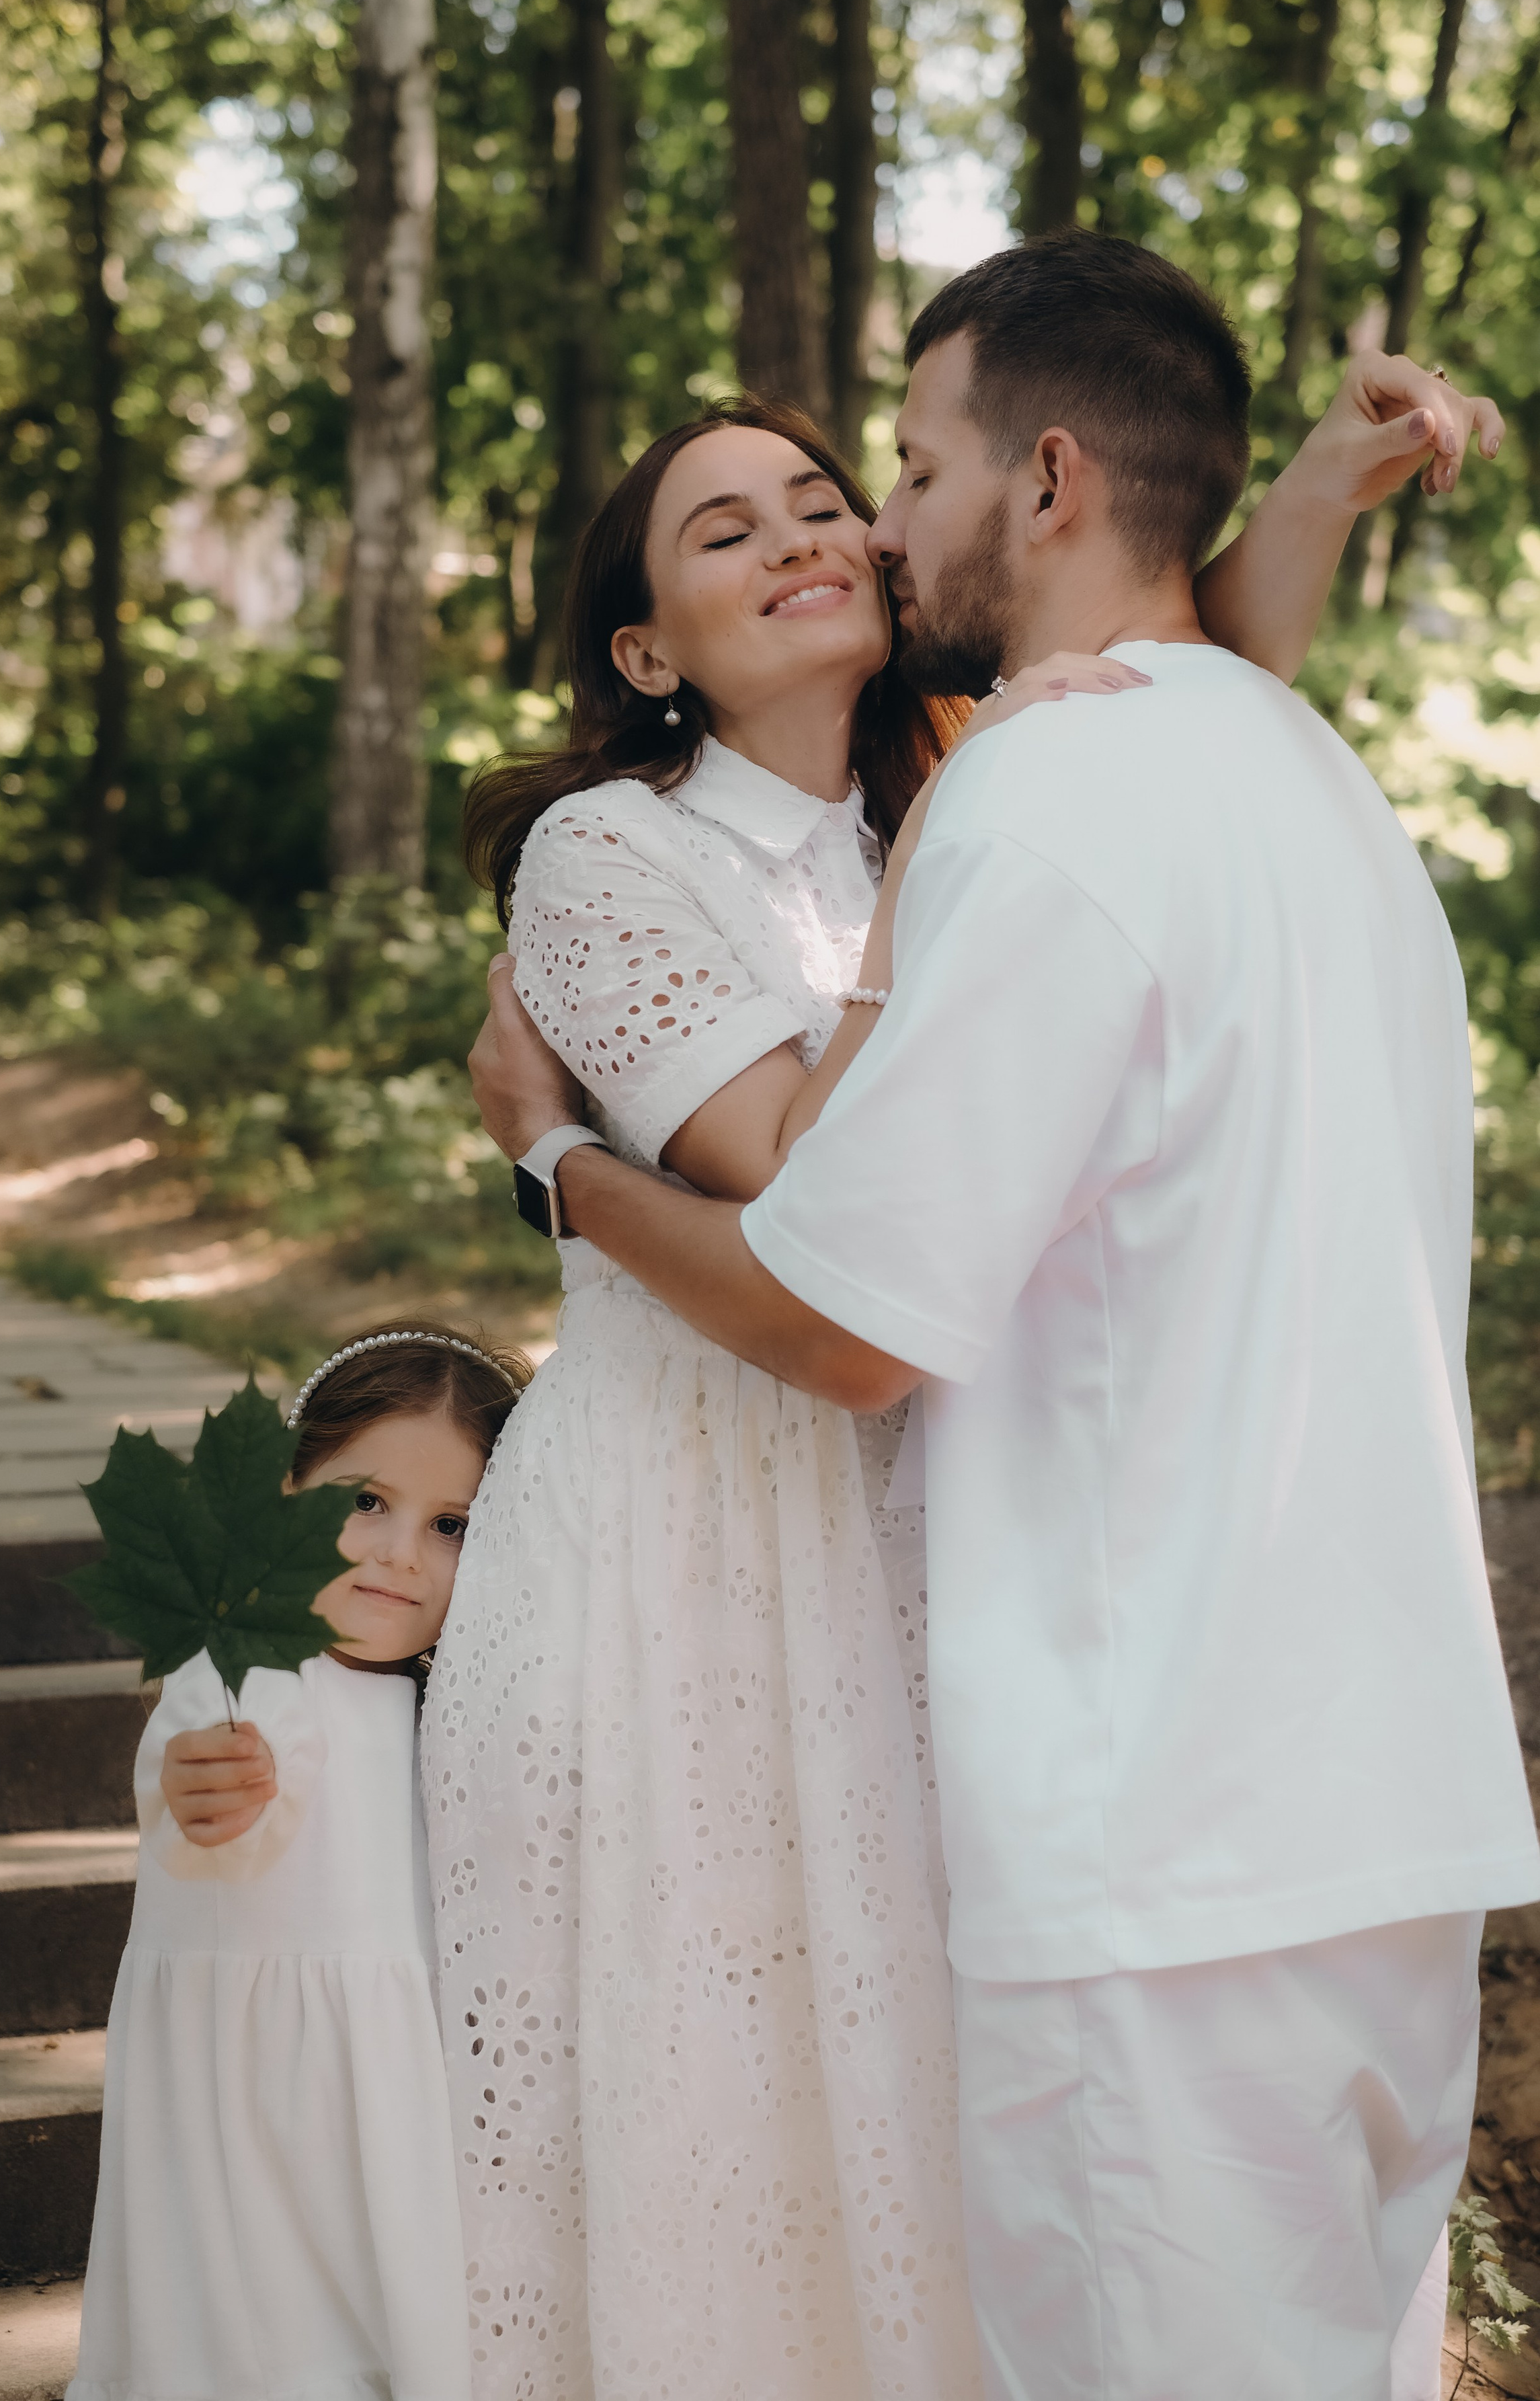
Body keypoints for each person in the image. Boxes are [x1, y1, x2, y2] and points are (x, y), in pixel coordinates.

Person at [464, 233, 1539, 2401]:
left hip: (1161, 1818)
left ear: (1040, 483)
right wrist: (1309, 489)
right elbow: (1170, 641)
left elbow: (842, 1319)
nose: (859, 518)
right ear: (639, 643)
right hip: (1350, 1789)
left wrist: (552, 1166)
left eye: (890, 469)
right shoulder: (1305, 785)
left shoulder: (1017, 794)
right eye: (748, 516)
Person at [66, 1321, 532, 2401]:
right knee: (262, 2333)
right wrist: (199, 1784)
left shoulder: (452, 1706)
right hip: (255, 2107)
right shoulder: (243, 1677)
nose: (397, 1551)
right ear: (282, 1494)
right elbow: (194, 1779)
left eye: (451, 1523)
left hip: (393, 2101)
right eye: (363, 1500)